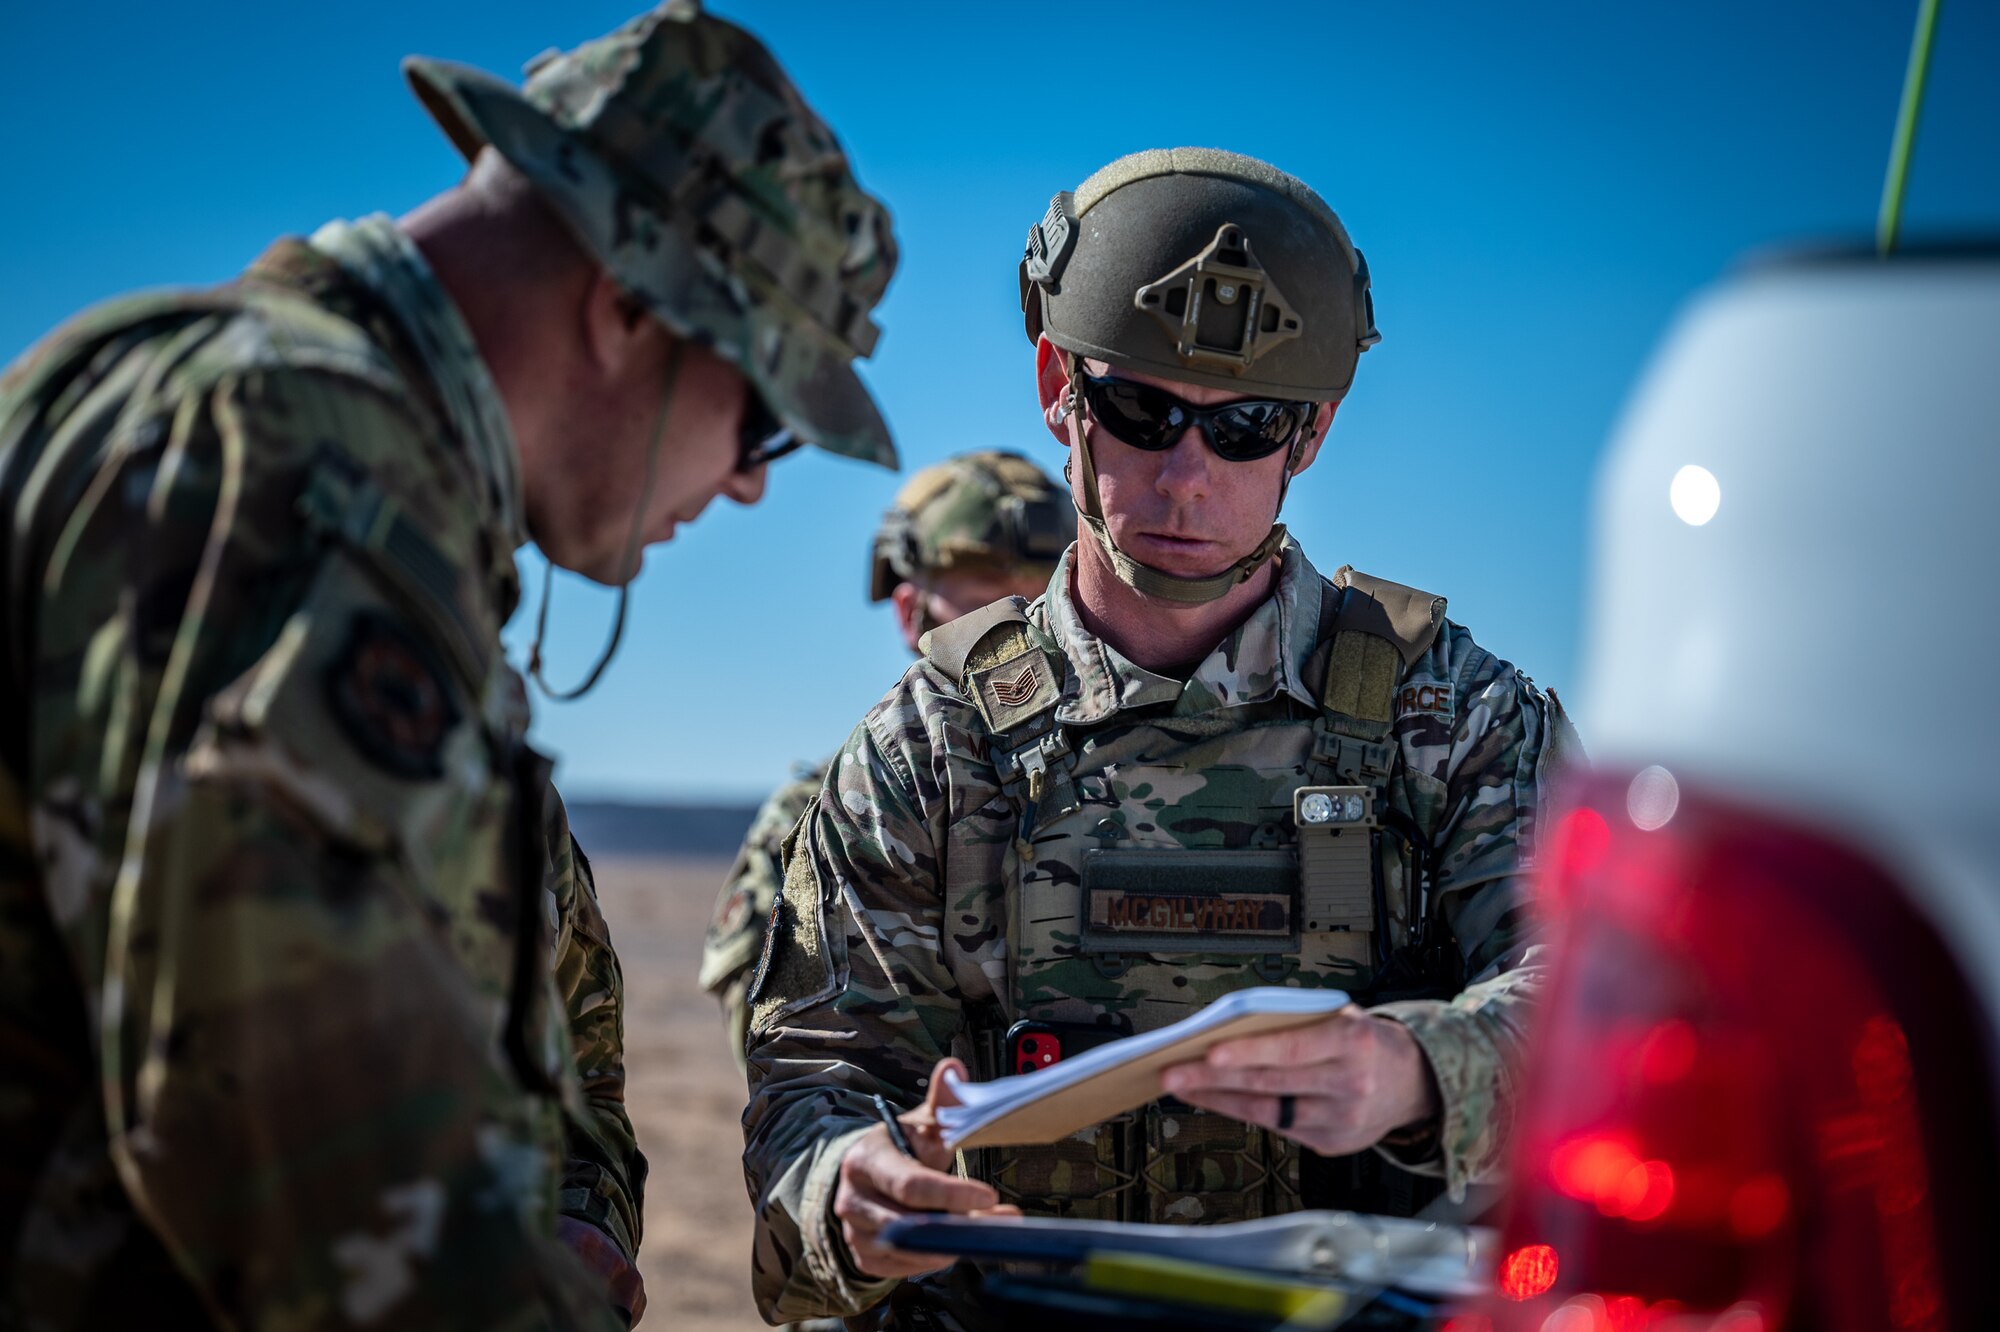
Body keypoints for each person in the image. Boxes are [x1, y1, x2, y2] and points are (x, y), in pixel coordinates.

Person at [0, 3, 896, 1328]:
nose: (751, 488)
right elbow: (303, 1145)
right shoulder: (317, 472)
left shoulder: (180, 384)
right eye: (762, 420)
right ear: (627, 309)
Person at [741, 148, 1577, 1328]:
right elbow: (811, 1086)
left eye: (1244, 427)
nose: (1185, 478)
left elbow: (1602, 1013)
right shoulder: (926, 750)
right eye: (1140, 412)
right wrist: (852, 1190)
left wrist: (1421, 1071)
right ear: (1057, 387)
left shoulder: (1451, 717)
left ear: (1314, 433)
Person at [701, 451, 1068, 1072]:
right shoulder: (825, 814)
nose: (1022, 641)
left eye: (1042, 612)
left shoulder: (1114, 782)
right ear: (909, 615)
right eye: (989, 612)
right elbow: (792, 1056)